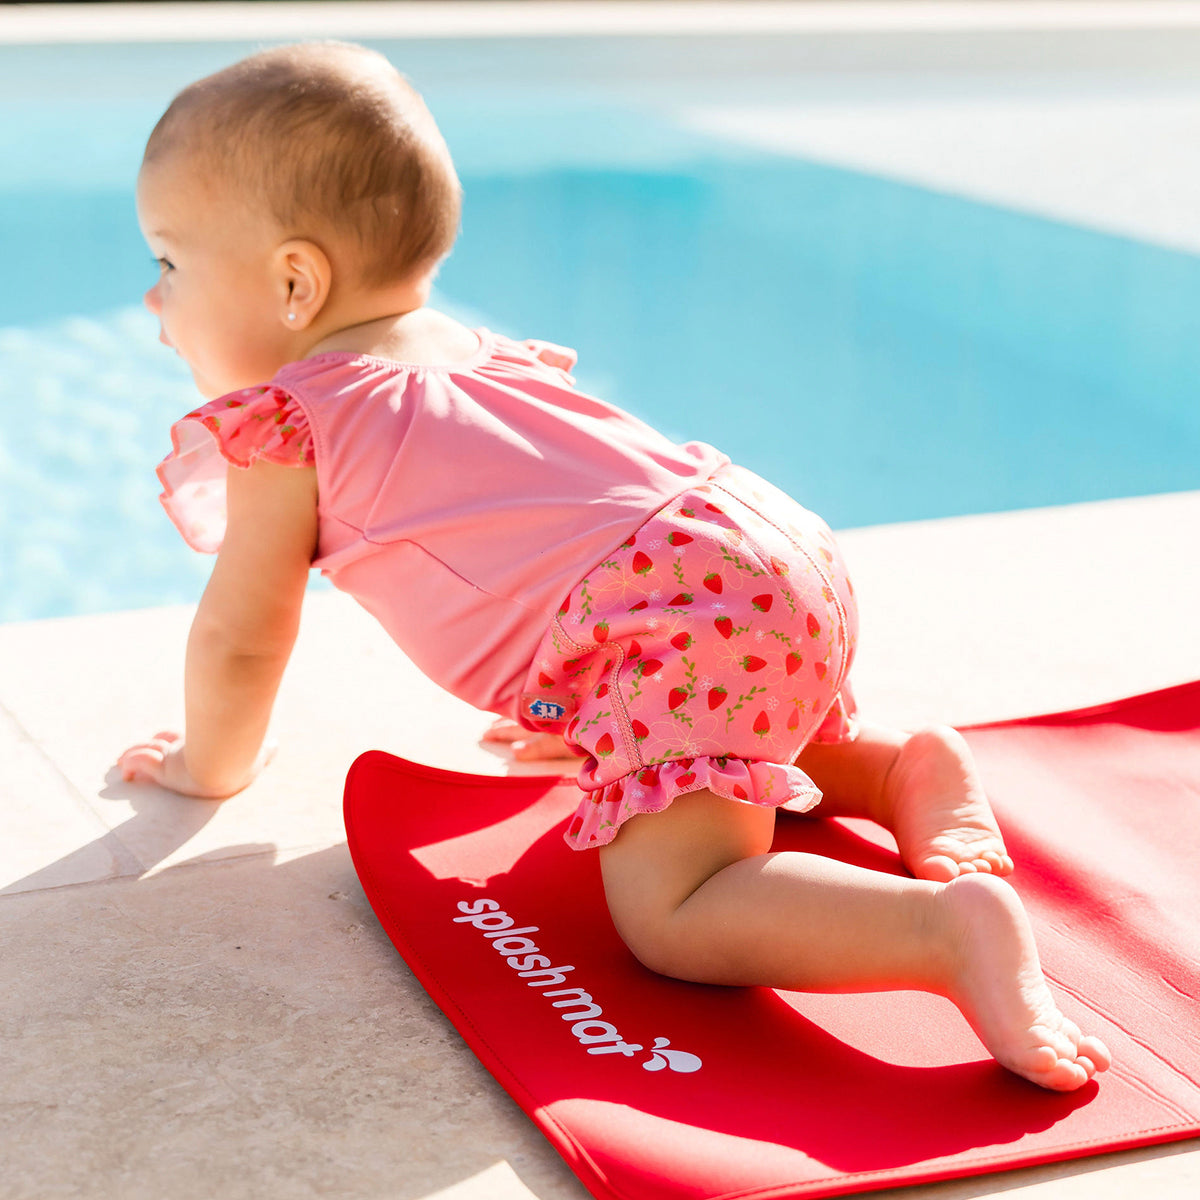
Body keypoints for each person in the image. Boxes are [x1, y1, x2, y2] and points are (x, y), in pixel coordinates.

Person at [119, 41, 1111, 1092]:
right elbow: (548, 535)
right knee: (719, 742)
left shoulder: (290, 424)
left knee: (674, 911)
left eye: (169, 263)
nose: (153, 300)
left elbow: (244, 634)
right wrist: (594, 703)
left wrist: (206, 768)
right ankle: (888, 766)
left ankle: (942, 936)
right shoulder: (466, 354)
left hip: (676, 621)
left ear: (293, 281)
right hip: (763, 547)